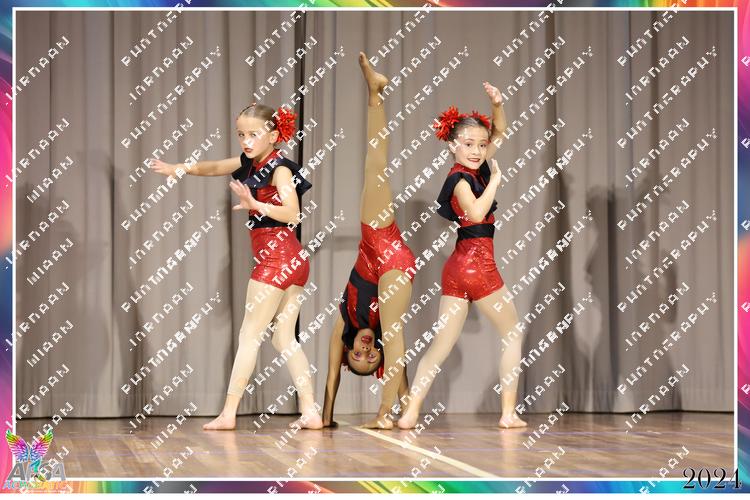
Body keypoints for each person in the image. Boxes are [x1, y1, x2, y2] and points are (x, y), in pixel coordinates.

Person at [149, 103, 322, 430]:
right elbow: (214, 167)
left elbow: (293, 213)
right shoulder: (251, 163)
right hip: (293, 261)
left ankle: (229, 414)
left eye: (253, 134)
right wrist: (178, 168)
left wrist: (256, 203)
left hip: (277, 258)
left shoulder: (280, 170)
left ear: (273, 135)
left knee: (249, 335)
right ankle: (310, 410)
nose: (245, 141)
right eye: (241, 134)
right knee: (283, 339)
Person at [398, 85, 528, 429]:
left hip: (456, 267)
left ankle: (410, 413)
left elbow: (500, 130)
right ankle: (508, 413)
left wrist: (497, 103)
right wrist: (496, 180)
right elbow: (475, 213)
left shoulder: (473, 168)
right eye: (469, 144)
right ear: (452, 145)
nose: (477, 150)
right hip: (478, 266)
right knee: (513, 333)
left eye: (482, 145)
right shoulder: (459, 179)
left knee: (440, 346)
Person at [321, 52, 414, 430]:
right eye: (370, 358)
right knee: (394, 333)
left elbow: (332, 372)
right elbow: (395, 353)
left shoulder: (343, 322)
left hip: (373, 240)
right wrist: (408, 404)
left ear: (348, 350)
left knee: (374, 167)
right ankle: (386, 413)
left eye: (357, 357)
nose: (364, 351)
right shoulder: (380, 335)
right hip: (392, 260)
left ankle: (375, 93)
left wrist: (325, 419)